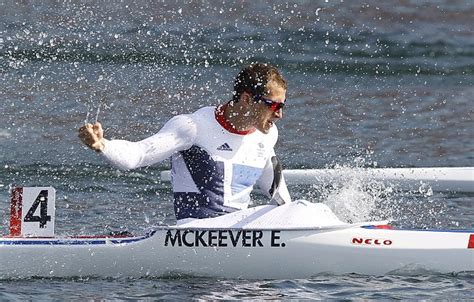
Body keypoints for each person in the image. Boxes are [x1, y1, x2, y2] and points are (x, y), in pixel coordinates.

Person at [78, 63, 292, 223]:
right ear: (246, 99)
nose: (280, 115)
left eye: (283, 106)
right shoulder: (192, 127)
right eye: (273, 106)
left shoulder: (267, 135)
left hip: (237, 237)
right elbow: (138, 155)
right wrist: (104, 145)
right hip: (195, 237)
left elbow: (277, 194)